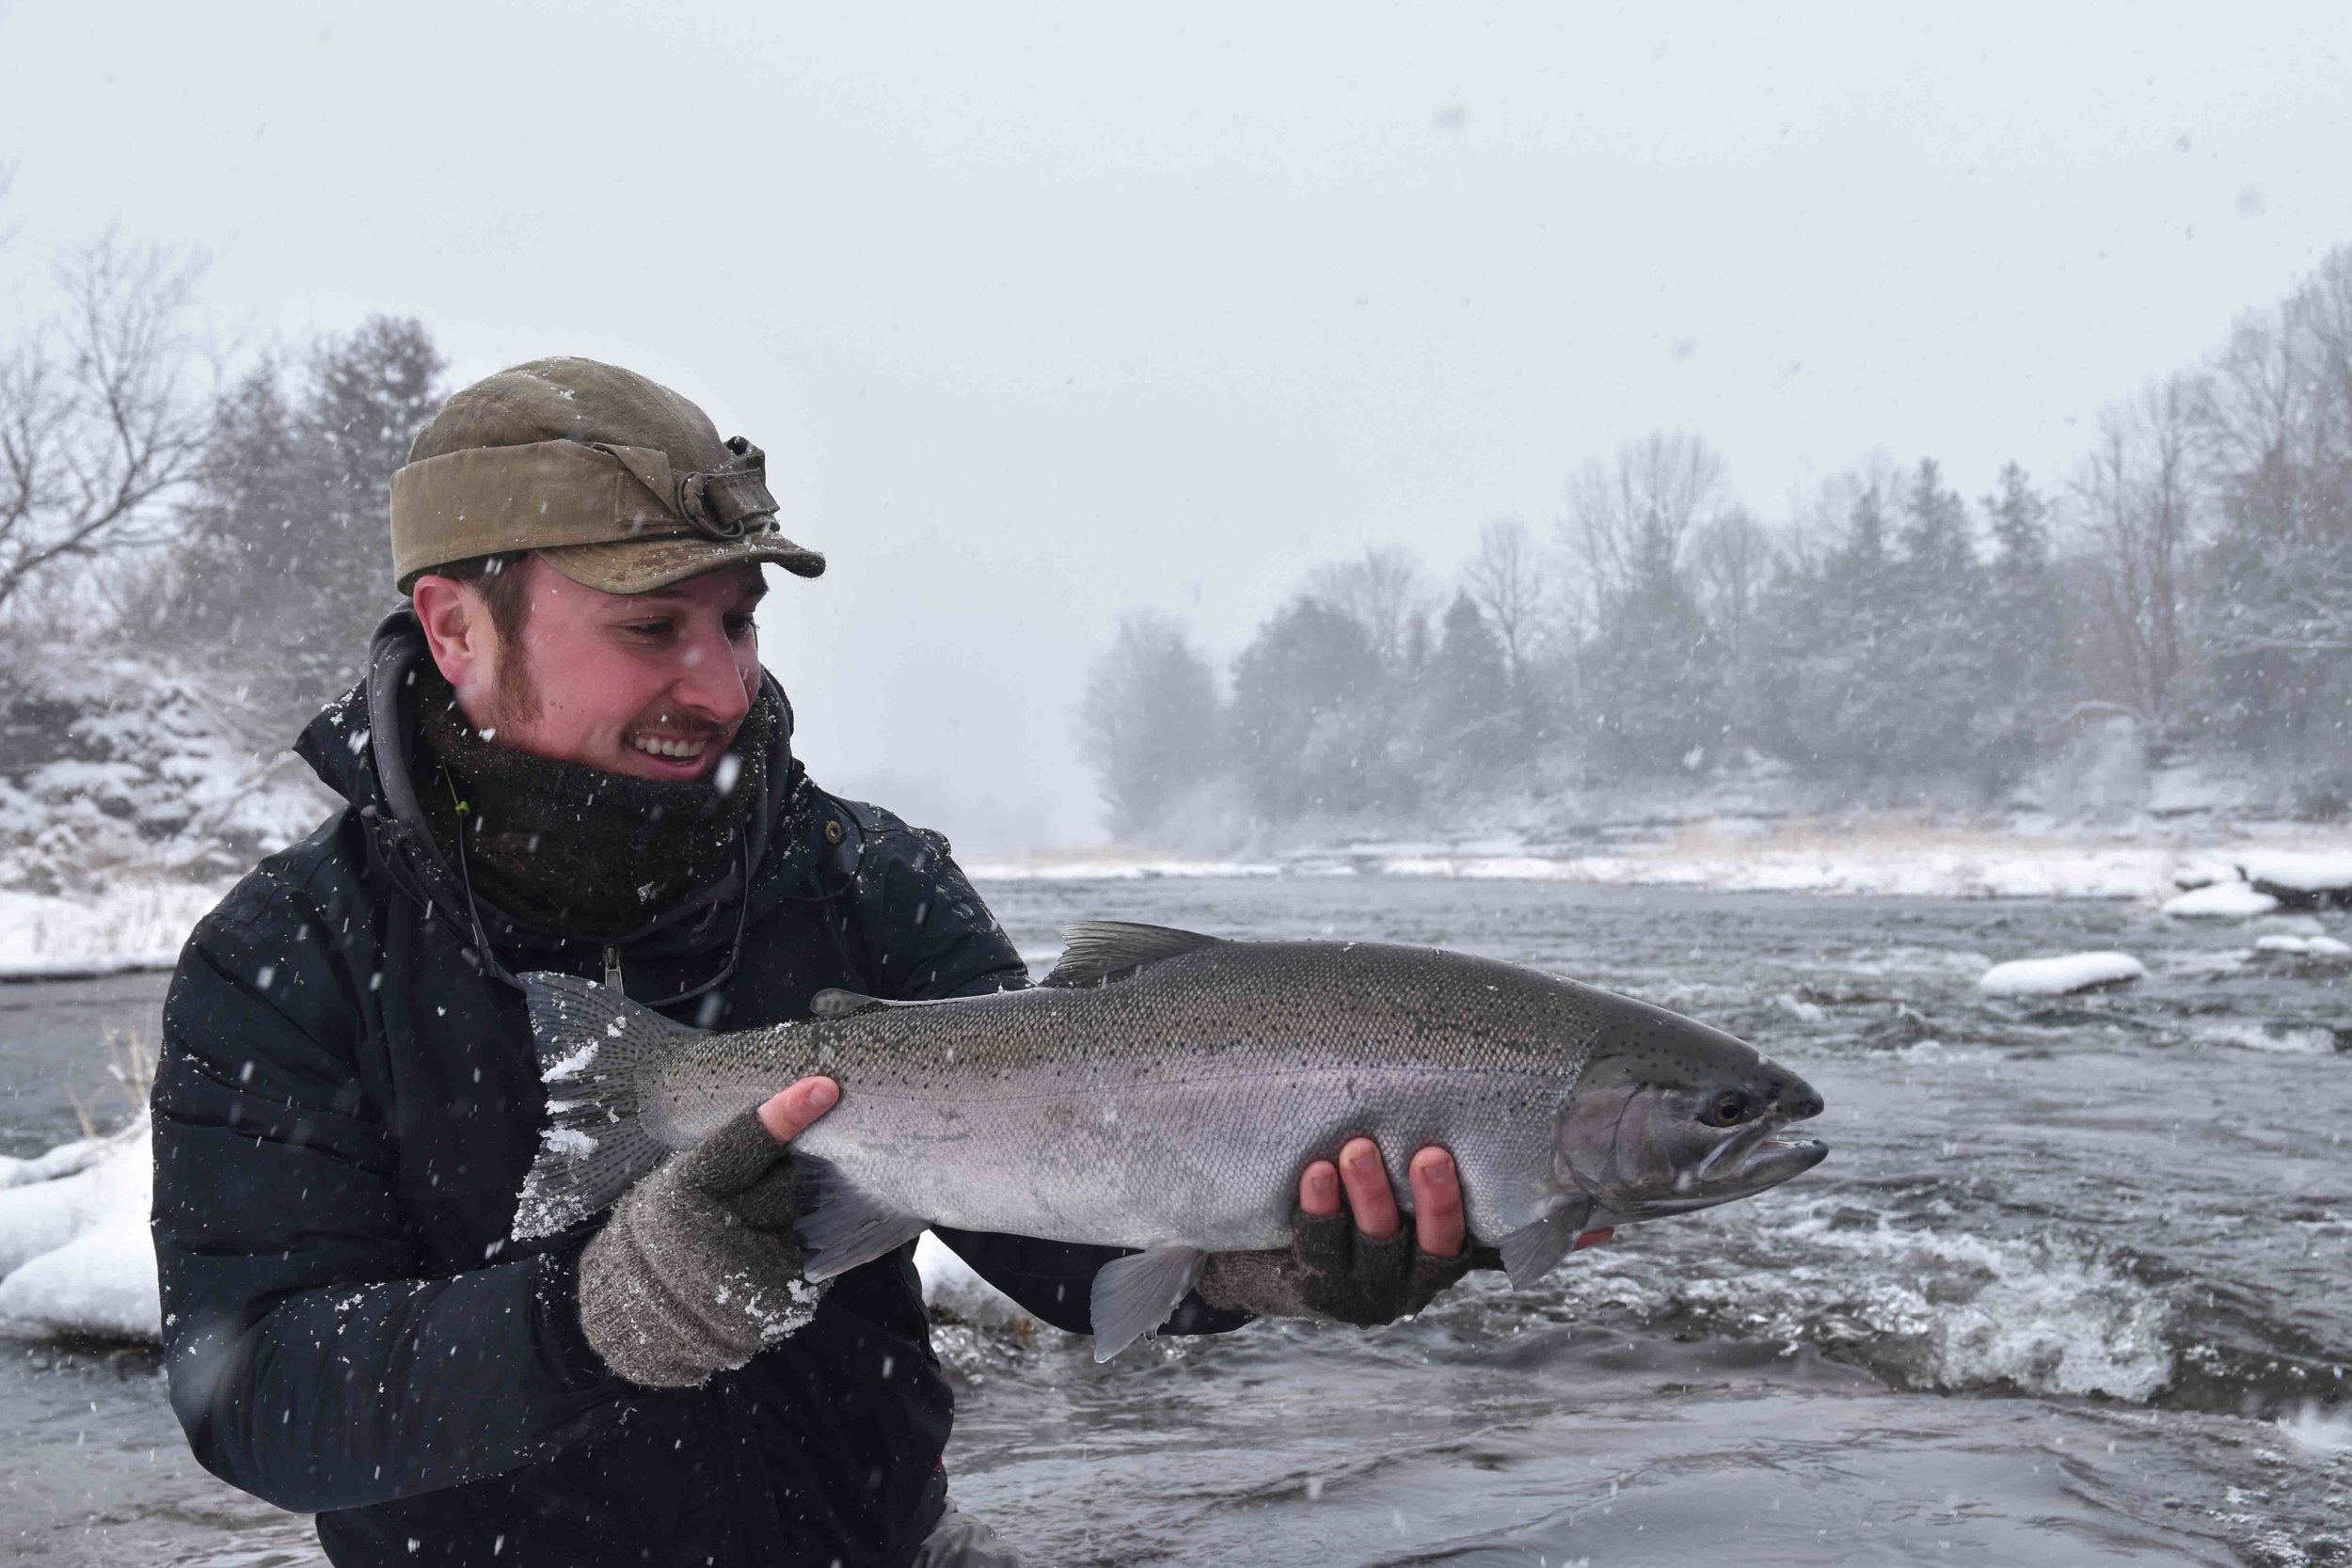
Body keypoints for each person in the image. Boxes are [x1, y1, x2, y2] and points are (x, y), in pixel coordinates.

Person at [151, 357, 1502, 1568]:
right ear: (455, 630)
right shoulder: (286, 961)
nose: (725, 684)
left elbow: (1048, 1226)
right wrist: (592, 1320)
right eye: (653, 629)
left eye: (737, 623)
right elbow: (256, 1397)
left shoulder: (868, 885)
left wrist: (1244, 1253)